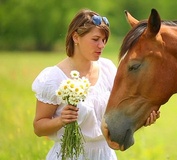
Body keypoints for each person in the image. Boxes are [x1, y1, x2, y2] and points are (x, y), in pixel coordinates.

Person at [32, 9, 160, 160]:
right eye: (96, 39)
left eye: (104, 40)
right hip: (69, 155)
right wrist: (61, 120)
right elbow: (38, 128)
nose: (101, 45)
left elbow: (119, 112)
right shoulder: (53, 78)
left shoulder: (108, 69)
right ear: (75, 37)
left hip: (105, 155)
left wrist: (142, 118)